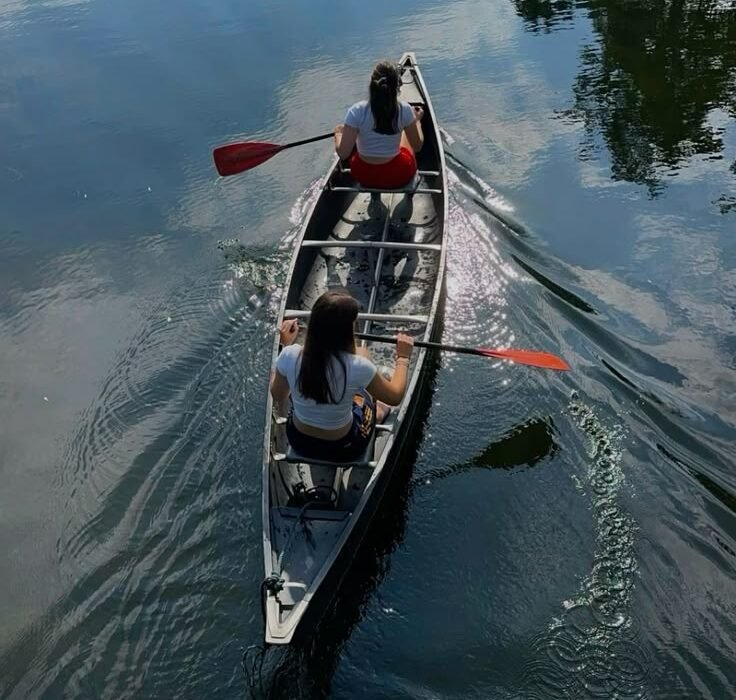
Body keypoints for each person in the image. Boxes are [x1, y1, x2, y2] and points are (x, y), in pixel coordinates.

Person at [269, 290, 414, 461]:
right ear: (346, 330)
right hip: (345, 447)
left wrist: (284, 348)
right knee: (364, 362)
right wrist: (403, 358)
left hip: (299, 441)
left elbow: (278, 395)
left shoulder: (289, 354)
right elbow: (395, 396)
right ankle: (378, 412)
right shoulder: (359, 366)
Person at [334, 60, 424, 190]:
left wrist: (338, 133)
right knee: (405, 134)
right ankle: (410, 188)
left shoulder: (356, 111)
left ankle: (374, 194)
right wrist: (417, 121)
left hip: (363, 174)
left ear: (372, 85)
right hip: (398, 173)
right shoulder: (404, 109)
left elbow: (343, 154)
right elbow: (417, 146)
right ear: (397, 87)